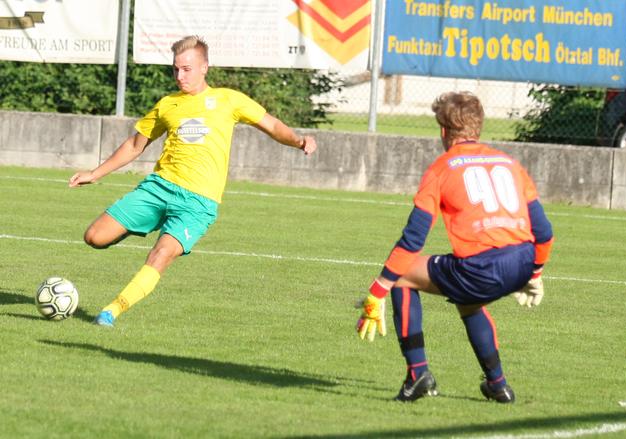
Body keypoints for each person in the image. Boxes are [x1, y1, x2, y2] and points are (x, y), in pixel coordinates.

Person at [69, 35, 317, 327]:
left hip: (197, 203)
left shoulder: (229, 100)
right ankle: (140, 225)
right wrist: (95, 174)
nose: (179, 75)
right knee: (94, 237)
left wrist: (299, 140)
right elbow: (136, 145)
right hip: (159, 188)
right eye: (175, 69)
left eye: (186, 69)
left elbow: (272, 125)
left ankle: (112, 310)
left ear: (204, 68)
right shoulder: (167, 105)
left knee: (160, 255)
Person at [355, 91, 553, 403]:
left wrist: (377, 290)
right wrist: (535, 273)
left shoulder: (442, 167)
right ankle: (497, 385)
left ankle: (417, 374)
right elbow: (544, 231)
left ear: (444, 132)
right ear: (478, 129)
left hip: (482, 266)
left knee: (403, 276)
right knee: (468, 299)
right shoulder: (510, 163)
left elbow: (413, 239)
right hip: (522, 262)